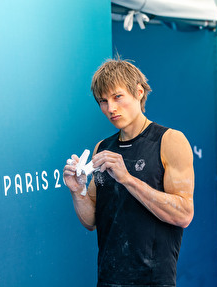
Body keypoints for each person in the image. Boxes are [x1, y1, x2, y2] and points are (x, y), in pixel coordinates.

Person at [63, 58, 194, 287]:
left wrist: (127, 179)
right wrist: (78, 192)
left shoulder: (170, 140)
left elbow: (183, 214)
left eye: (117, 97)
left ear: (139, 92)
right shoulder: (102, 148)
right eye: (103, 101)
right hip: (108, 279)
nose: (111, 108)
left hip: (153, 281)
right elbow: (91, 220)